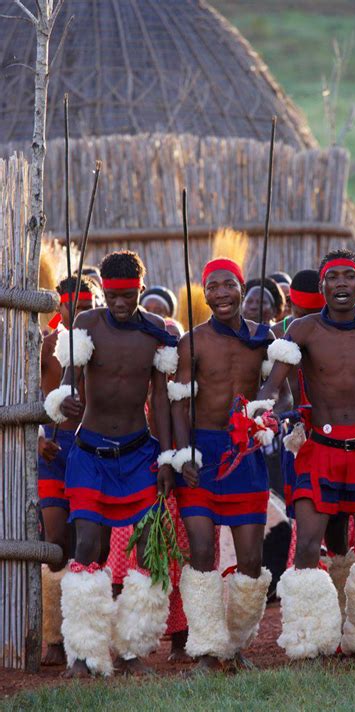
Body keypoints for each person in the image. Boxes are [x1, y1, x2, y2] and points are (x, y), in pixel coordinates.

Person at [258, 249, 355, 664]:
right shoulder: (302, 331)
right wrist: (261, 404)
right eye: (333, 278)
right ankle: (310, 641)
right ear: (322, 286)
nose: (341, 284)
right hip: (320, 453)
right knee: (307, 545)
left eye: (349, 276)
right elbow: (274, 384)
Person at [44, 250, 178, 678]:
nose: (120, 303)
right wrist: (65, 399)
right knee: (88, 547)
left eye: (128, 295)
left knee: (146, 550)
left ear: (140, 289)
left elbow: (160, 397)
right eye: (113, 295)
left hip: (139, 451)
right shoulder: (85, 325)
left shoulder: (157, 332)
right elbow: (69, 383)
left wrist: (167, 457)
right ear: (104, 292)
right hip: (89, 454)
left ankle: (132, 650)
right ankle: (84, 653)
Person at [170, 257, 292, 674]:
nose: (221, 294)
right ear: (204, 293)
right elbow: (179, 403)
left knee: (251, 562)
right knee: (202, 552)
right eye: (213, 287)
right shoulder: (192, 342)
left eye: (228, 285)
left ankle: (235, 647)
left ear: (241, 289)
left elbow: (285, 397)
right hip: (200, 453)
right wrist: (183, 453)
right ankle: (206, 649)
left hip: (245, 455)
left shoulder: (264, 338)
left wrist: (265, 417)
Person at [39, 275, 96, 665]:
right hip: (51, 451)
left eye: (87, 304)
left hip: (92, 450)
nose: (78, 311)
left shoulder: (104, 344)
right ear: (59, 307)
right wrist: (37, 439)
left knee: (88, 543)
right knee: (57, 542)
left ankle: (86, 639)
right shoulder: (43, 345)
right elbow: (21, 392)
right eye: (71, 304)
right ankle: (54, 639)